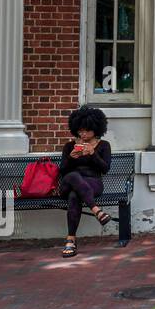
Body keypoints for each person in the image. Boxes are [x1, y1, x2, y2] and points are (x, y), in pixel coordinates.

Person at [58, 105, 113, 257]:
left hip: (93, 183)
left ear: (96, 129)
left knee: (75, 196)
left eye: (86, 130)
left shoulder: (104, 146)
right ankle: (97, 210)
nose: (83, 133)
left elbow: (105, 169)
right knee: (73, 176)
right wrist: (71, 157)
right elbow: (62, 170)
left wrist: (93, 153)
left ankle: (70, 240)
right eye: (80, 130)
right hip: (68, 184)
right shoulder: (69, 146)